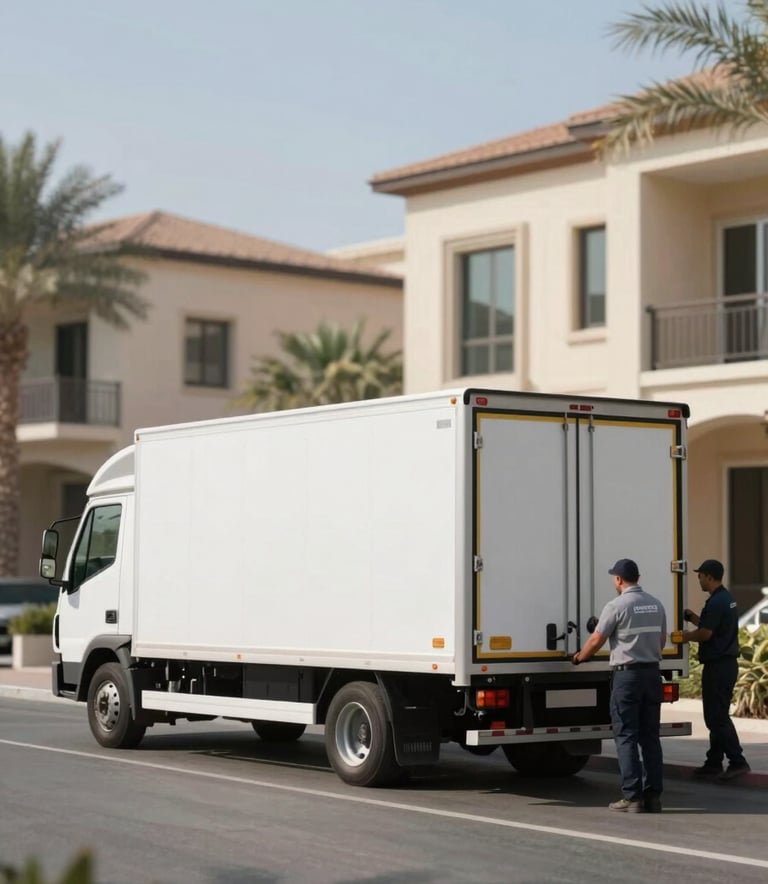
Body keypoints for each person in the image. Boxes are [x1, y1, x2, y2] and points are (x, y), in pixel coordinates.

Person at [572, 558, 667, 813]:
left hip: (627, 678)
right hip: (652, 675)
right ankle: (653, 797)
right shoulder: (656, 604)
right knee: (650, 738)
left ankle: (632, 797)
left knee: (625, 736)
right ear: (638, 577)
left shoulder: (616, 606)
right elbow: (662, 640)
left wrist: (580, 657)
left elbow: (596, 639)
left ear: (618, 580)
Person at [676, 559, 750, 782]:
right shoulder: (724, 599)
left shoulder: (717, 602)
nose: (698, 579)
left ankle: (737, 761)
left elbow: (706, 634)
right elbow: (710, 627)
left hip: (718, 666)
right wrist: (692, 618)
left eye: (700, 576)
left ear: (709, 576)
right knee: (717, 715)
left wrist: (683, 637)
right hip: (725, 665)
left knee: (716, 717)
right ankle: (713, 762)